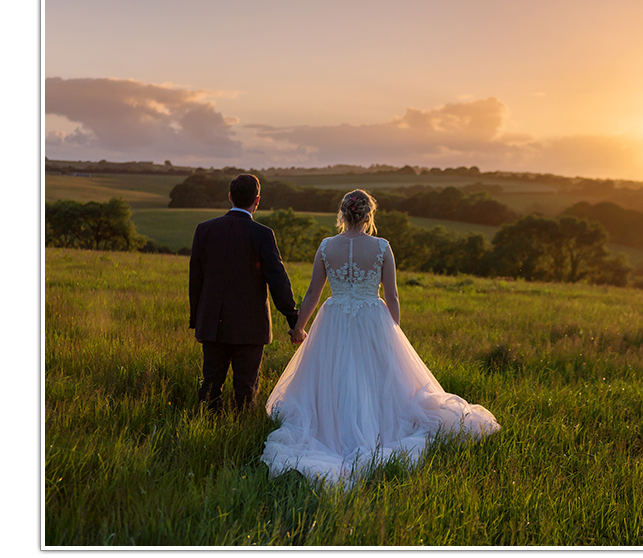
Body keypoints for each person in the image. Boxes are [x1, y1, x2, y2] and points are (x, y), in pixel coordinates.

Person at [261, 189, 500, 485]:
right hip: (372, 316)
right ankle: (373, 429)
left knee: (335, 374)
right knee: (377, 377)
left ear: (343, 214)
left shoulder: (326, 246)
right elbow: (392, 296)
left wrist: (298, 327)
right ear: (368, 215)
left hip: (334, 316)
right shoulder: (382, 247)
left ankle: (333, 428)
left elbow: (313, 293)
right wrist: (393, 331)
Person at [189, 173, 302, 413]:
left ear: (230, 197)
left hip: (212, 323)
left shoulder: (204, 230)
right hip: (250, 326)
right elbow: (277, 279)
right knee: (246, 389)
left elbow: (195, 280)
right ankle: (241, 431)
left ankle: (206, 432)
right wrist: (294, 319)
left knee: (210, 385)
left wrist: (196, 320)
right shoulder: (262, 234)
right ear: (257, 200)